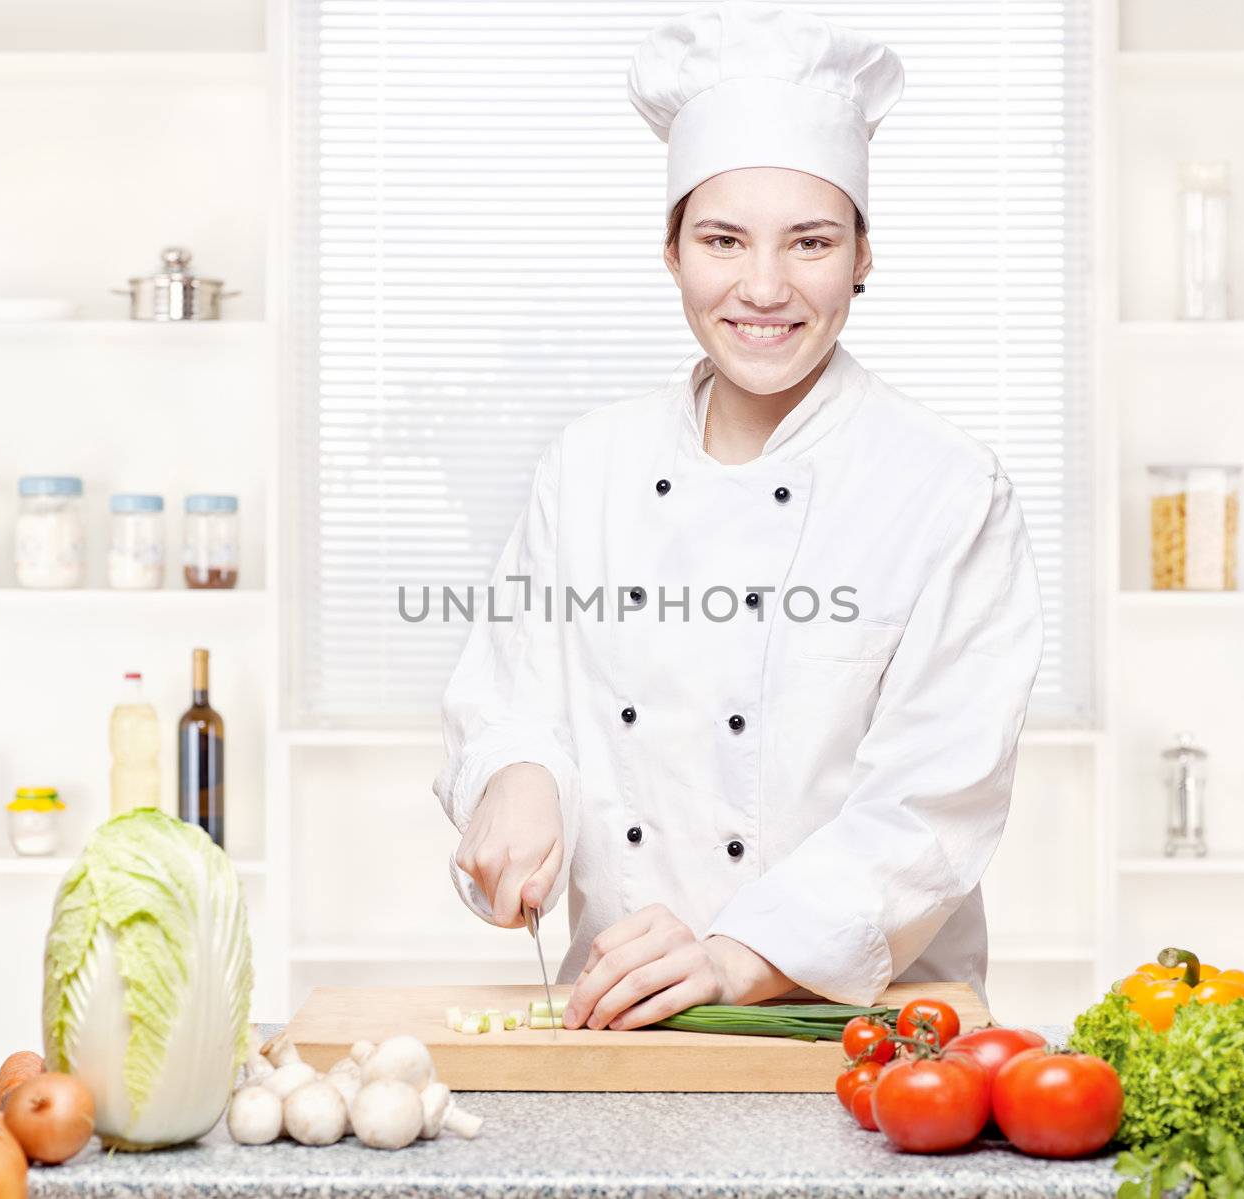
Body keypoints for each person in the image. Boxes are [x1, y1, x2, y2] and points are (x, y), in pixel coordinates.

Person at [431, 0, 1044, 1033]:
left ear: (862, 254)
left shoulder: (945, 488)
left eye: (809, 241)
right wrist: (516, 776)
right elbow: (510, 697)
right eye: (723, 239)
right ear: (671, 251)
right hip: (617, 1021)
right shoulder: (588, 465)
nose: (763, 287)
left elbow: (934, 803)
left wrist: (731, 955)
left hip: (869, 1039)